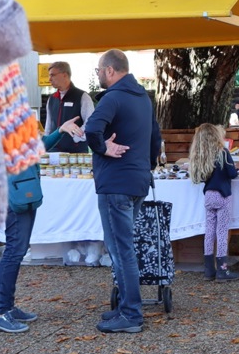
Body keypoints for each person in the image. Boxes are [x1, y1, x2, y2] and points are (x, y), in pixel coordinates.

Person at [83, 49, 161, 334]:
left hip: (115, 183)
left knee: (121, 249)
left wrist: (103, 147)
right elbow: (155, 138)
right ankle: (126, 307)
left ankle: (130, 313)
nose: (98, 75)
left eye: (98, 71)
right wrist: (145, 166)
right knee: (124, 248)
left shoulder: (113, 97)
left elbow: (92, 130)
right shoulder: (143, 98)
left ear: (110, 70)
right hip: (137, 180)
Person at [0, 176, 42, 334]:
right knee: (14, 251)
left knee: (18, 249)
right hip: (14, 189)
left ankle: (7, 307)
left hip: (22, 186)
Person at [188, 123, 239, 281]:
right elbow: (232, 173)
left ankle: (209, 269)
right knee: (222, 232)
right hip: (223, 196)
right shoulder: (223, 152)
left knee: (209, 231)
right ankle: (222, 270)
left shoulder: (201, 155)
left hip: (208, 196)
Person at [44, 61, 95, 152]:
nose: (49, 79)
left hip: (75, 152)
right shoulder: (51, 99)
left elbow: (90, 122)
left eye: (52, 75)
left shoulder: (82, 96)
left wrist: (76, 137)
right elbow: (48, 126)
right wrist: (46, 143)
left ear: (65, 75)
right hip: (53, 152)